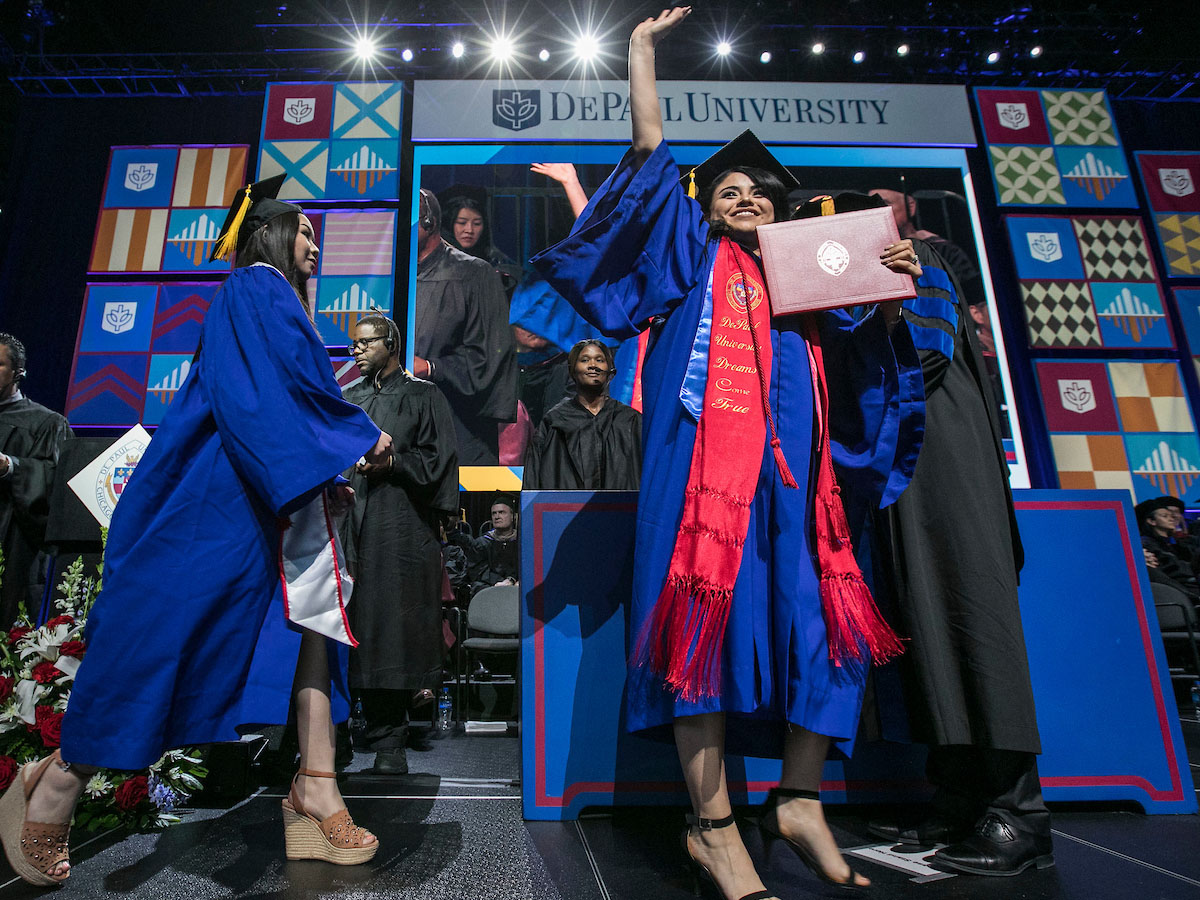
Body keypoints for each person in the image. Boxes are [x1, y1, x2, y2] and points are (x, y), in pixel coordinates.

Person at [530, 9, 924, 899]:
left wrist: (890, 291)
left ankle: (797, 798)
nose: (746, 199)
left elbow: (864, 357)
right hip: (704, 484)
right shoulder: (683, 254)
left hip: (797, 486)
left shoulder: (805, 272)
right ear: (704, 206)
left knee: (820, 632)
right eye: (729, 191)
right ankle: (711, 826)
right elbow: (652, 150)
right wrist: (640, 54)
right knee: (700, 632)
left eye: (760, 194)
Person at [0, 176, 393, 886]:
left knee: (314, 625)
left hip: (271, 492)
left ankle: (317, 788)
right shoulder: (254, 287)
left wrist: (330, 448)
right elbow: (268, 397)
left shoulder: (277, 301)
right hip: (214, 498)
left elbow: (288, 395)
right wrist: (355, 435)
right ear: (271, 235)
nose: (314, 246)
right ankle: (56, 778)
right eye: (304, 232)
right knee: (160, 636)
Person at [860, 227, 1054, 875]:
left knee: (972, 616)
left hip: (943, 453)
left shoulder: (923, 260)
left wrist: (906, 281)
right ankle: (964, 791)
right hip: (899, 468)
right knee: (928, 628)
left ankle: (1018, 811)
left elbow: (927, 355)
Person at [342, 313, 459, 775]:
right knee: (351, 629)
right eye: (354, 344)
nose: (358, 351)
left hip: (400, 530)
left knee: (392, 632)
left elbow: (440, 462)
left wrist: (392, 464)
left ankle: (392, 738)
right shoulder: (347, 399)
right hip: (350, 523)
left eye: (367, 343)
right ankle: (340, 737)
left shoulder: (423, 397)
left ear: (391, 344)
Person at [414, 188, 518, 465]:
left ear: (429, 222)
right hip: (404, 426)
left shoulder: (475, 274)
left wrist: (430, 368)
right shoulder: (392, 275)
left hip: (460, 426)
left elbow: (490, 357)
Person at [0, 334, 73, 626]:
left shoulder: (46, 423)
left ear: (18, 372)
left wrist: (10, 466)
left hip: (13, 554)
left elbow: (58, 491)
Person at [523, 339, 642, 491]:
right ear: (572, 370)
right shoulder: (555, 423)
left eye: (600, 360)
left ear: (611, 371)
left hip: (619, 511)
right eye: (584, 360)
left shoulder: (630, 421)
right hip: (564, 512)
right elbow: (533, 482)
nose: (593, 365)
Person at [439, 184, 523, 297]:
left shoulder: (496, 260)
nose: (469, 230)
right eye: (462, 223)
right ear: (449, 224)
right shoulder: (436, 261)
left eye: (477, 223)